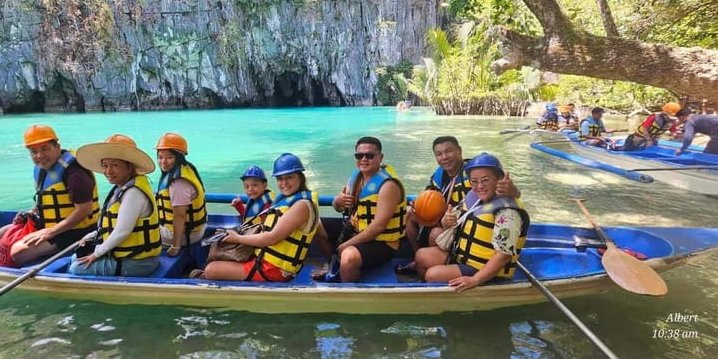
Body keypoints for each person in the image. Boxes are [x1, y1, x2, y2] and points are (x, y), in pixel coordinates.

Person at [398, 136, 520, 274]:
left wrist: (513, 191)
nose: (444, 157)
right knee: (409, 214)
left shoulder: (475, 173)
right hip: (449, 217)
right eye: (439, 154)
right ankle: (418, 257)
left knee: (435, 233)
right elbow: (429, 193)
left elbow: (505, 187)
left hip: (465, 222)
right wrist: (418, 204)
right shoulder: (440, 175)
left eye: (448, 151)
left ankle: (437, 264)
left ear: (459, 151)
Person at [415, 153, 530, 292]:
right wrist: (446, 221)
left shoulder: (507, 213)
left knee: (432, 274)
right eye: (474, 181)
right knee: (422, 256)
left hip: (485, 269)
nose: (479, 186)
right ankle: (427, 292)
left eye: (486, 180)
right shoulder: (473, 197)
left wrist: (475, 279)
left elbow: (503, 256)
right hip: (463, 258)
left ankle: (444, 296)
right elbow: (455, 220)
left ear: (499, 179)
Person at [203, 153, 319, 282]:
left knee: (211, 270)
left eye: (289, 177)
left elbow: (272, 238)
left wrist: (238, 238)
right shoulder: (288, 200)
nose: (284, 183)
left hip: (274, 269)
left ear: (301, 177)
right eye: (280, 179)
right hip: (264, 259)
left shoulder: (301, 206)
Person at [0, 125, 100, 266]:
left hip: (77, 230)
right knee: (2, 233)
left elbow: (84, 210)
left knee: (17, 252)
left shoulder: (75, 172)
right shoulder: (44, 168)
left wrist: (50, 232)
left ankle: (56, 259)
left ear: (57, 147)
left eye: (45, 149)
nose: (40, 156)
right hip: (51, 225)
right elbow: (48, 200)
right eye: (34, 151)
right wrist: (31, 212)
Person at [316, 136, 407, 283]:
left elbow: (378, 227)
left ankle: (348, 292)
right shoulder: (356, 177)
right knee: (315, 224)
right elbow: (340, 209)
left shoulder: (388, 185)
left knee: (348, 255)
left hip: (382, 243)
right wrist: (337, 202)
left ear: (380, 157)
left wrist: (346, 245)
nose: (364, 159)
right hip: (356, 230)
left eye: (369, 155)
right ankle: (335, 267)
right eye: (359, 155)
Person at [69, 134, 162, 277]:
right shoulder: (122, 187)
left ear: (129, 167)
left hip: (139, 262)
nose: (108, 171)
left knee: (75, 268)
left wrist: (97, 253)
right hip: (125, 255)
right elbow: (112, 226)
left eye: (115, 165)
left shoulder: (133, 193)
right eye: (105, 166)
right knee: (75, 258)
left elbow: (122, 232)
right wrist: (92, 235)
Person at [153, 133, 207, 266]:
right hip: (194, 229)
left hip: (184, 235)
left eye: (169, 157)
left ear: (178, 157)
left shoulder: (178, 183)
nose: (163, 162)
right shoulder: (187, 168)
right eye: (160, 157)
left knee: (137, 229)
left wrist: (176, 246)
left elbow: (179, 216)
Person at [623, 102, 688, 151]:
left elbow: (673, 132)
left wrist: (678, 135)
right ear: (664, 113)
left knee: (653, 148)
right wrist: (648, 140)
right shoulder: (654, 117)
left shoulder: (672, 122)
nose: (670, 119)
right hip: (639, 137)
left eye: (673, 117)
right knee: (637, 147)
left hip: (653, 139)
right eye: (669, 117)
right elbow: (644, 129)